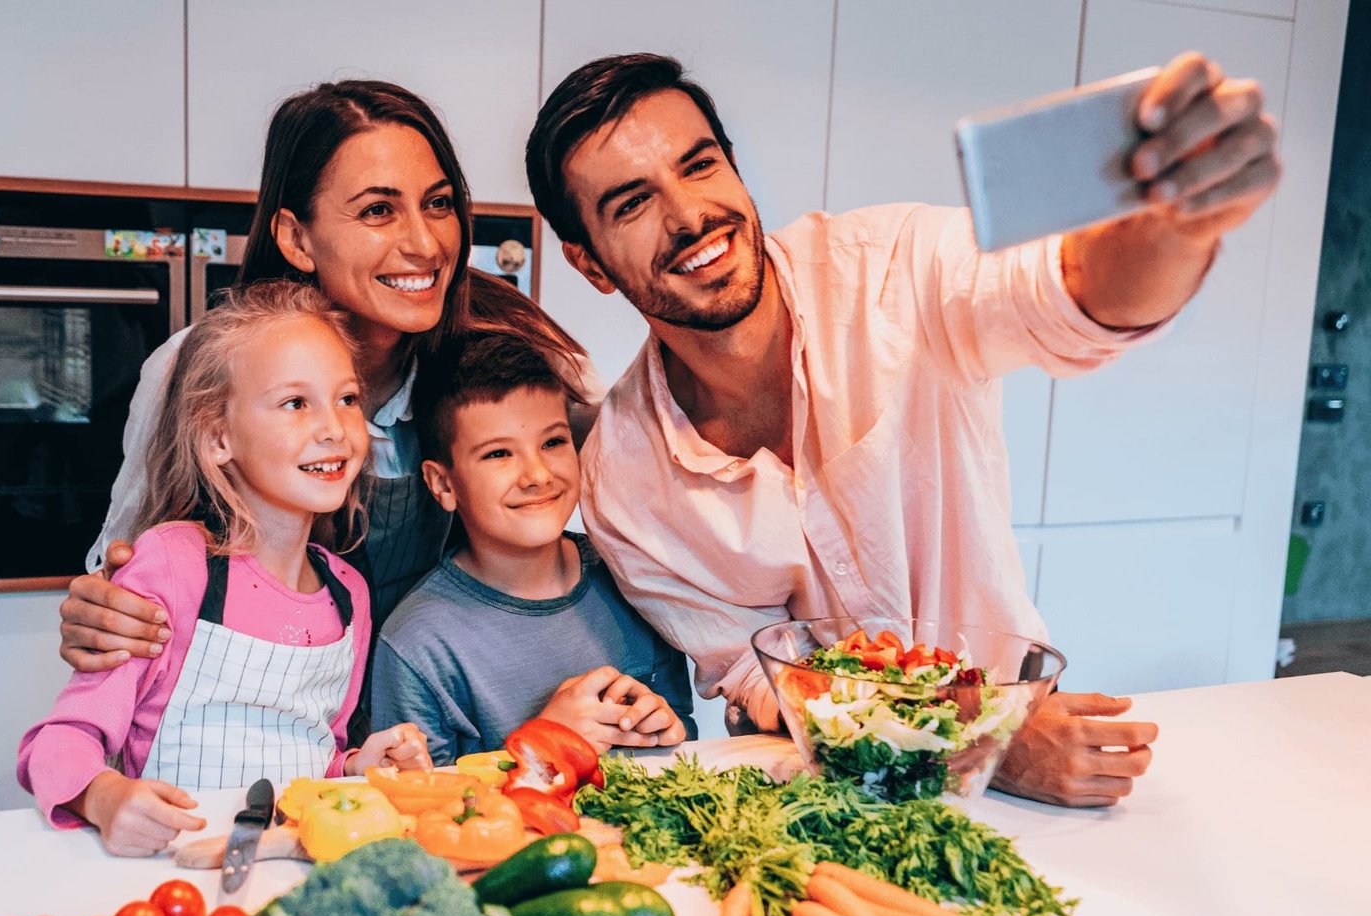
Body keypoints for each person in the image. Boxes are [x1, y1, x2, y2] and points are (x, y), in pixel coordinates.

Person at [525, 52, 1281, 807]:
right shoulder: (623, 480)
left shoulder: (894, 269)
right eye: (632, 204)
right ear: (588, 263)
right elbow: (765, 678)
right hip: (829, 789)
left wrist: (1179, 222)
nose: (690, 215)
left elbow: (1075, 295)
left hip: (1025, 772)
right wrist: (985, 736)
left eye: (700, 166)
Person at [58, 80, 593, 673]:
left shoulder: (507, 344)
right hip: (264, 716)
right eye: (377, 211)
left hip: (431, 712)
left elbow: (635, 465)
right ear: (296, 237)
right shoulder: (198, 369)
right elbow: (124, 569)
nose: (425, 243)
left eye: (438, 204)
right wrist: (103, 612)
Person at [18, 283, 431, 856]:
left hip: (290, 872)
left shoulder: (348, 594)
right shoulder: (173, 566)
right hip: (169, 876)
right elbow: (58, 742)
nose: (334, 427)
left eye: (347, 399)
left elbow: (313, 753)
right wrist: (106, 797)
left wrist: (362, 764)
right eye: (295, 403)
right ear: (218, 437)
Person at [371, 332, 695, 763]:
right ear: (444, 483)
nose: (537, 474)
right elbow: (416, 812)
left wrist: (666, 730)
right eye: (498, 454)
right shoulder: (417, 646)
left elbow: (683, 741)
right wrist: (543, 740)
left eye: (553, 443)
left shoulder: (635, 575)